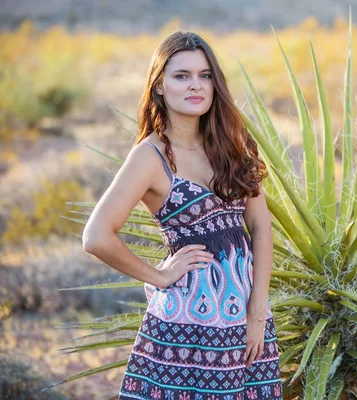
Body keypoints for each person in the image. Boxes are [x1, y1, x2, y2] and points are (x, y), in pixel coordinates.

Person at [82, 30, 283, 400]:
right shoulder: (149, 156)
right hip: (187, 324)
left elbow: (259, 226)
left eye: (205, 75)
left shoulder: (234, 145)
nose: (196, 86)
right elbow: (96, 237)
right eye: (181, 76)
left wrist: (257, 311)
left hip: (246, 318)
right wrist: (159, 276)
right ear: (159, 86)